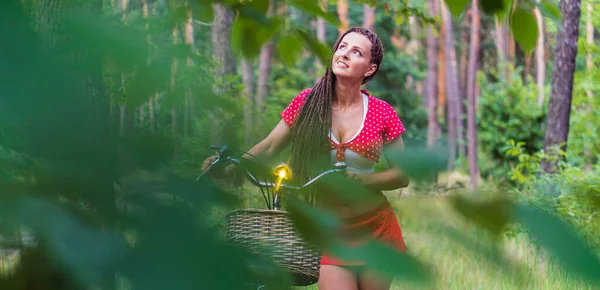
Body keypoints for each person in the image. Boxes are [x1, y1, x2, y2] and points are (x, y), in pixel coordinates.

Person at [202, 27, 409, 290]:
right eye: (342, 47)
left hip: (376, 230)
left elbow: (401, 175)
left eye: (356, 52)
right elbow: (269, 146)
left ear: (369, 69)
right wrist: (233, 166)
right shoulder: (307, 103)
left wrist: (363, 180)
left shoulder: (382, 112)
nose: (344, 54)